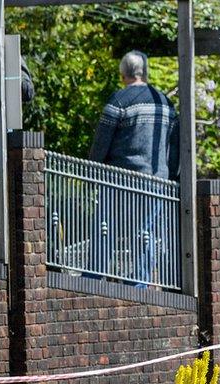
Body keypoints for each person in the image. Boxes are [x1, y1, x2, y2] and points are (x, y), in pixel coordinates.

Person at [89, 50, 179, 288]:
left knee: (104, 229)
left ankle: (93, 278)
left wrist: (93, 167)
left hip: (119, 178)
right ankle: (139, 282)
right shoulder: (165, 103)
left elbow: (101, 141)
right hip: (156, 180)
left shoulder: (119, 100)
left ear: (123, 74)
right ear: (144, 72)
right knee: (145, 233)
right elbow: (175, 146)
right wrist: (170, 174)